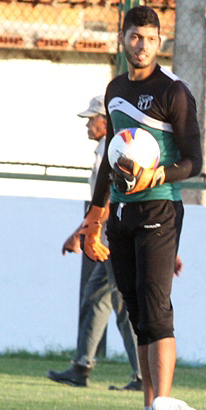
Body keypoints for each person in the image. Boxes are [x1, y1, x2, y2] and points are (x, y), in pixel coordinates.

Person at [78, 5, 203, 410]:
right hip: (121, 213)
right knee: (137, 315)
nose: (142, 45)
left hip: (159, 209)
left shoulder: (174, 91)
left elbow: (195, 161)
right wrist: (94, 219)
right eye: (135, 37)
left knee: (157, 312)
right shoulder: (114, 89)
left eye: (150, 38)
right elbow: (109, 163)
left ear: (159, 42)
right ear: (123, 39)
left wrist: (157, 175)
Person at [47, 96, 143, 391]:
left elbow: (109, 200)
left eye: (92, 119)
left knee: (122, 304)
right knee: (96, 298)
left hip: (113, 236)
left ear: (107, 120)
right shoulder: (106, 148)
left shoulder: (111, 150)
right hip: (108, 235)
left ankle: (143, 376)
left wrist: (80, 233)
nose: (88, 125)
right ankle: (81, 366)